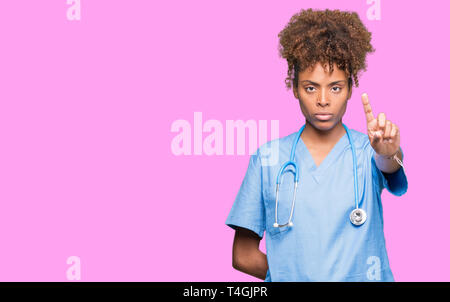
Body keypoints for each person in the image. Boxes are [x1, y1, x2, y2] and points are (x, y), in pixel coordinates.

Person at [225, 8, 408, 282]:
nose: (323, 99)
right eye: (311, 87)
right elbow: (243, 255)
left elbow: (392, 170)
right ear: (295, 88)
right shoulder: (268, 158)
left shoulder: (369, 150)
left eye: (335, 87)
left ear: (349, 88)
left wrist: (388, 152)